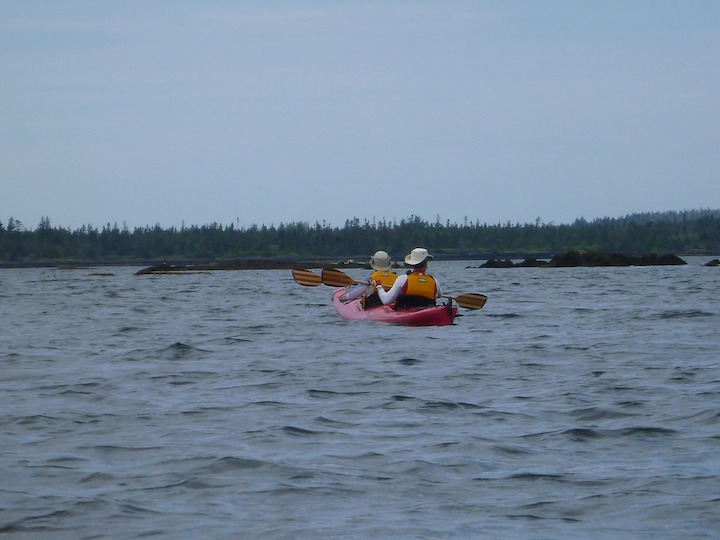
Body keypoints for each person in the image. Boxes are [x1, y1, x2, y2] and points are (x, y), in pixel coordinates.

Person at [375, 247, 442, 309]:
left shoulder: (402, 279)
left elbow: (386, 301)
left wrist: (379, 286)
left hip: (405, 310)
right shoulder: (435, 282)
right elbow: (439, 295)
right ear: (426, 264)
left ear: (412, 264)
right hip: (428, 310)